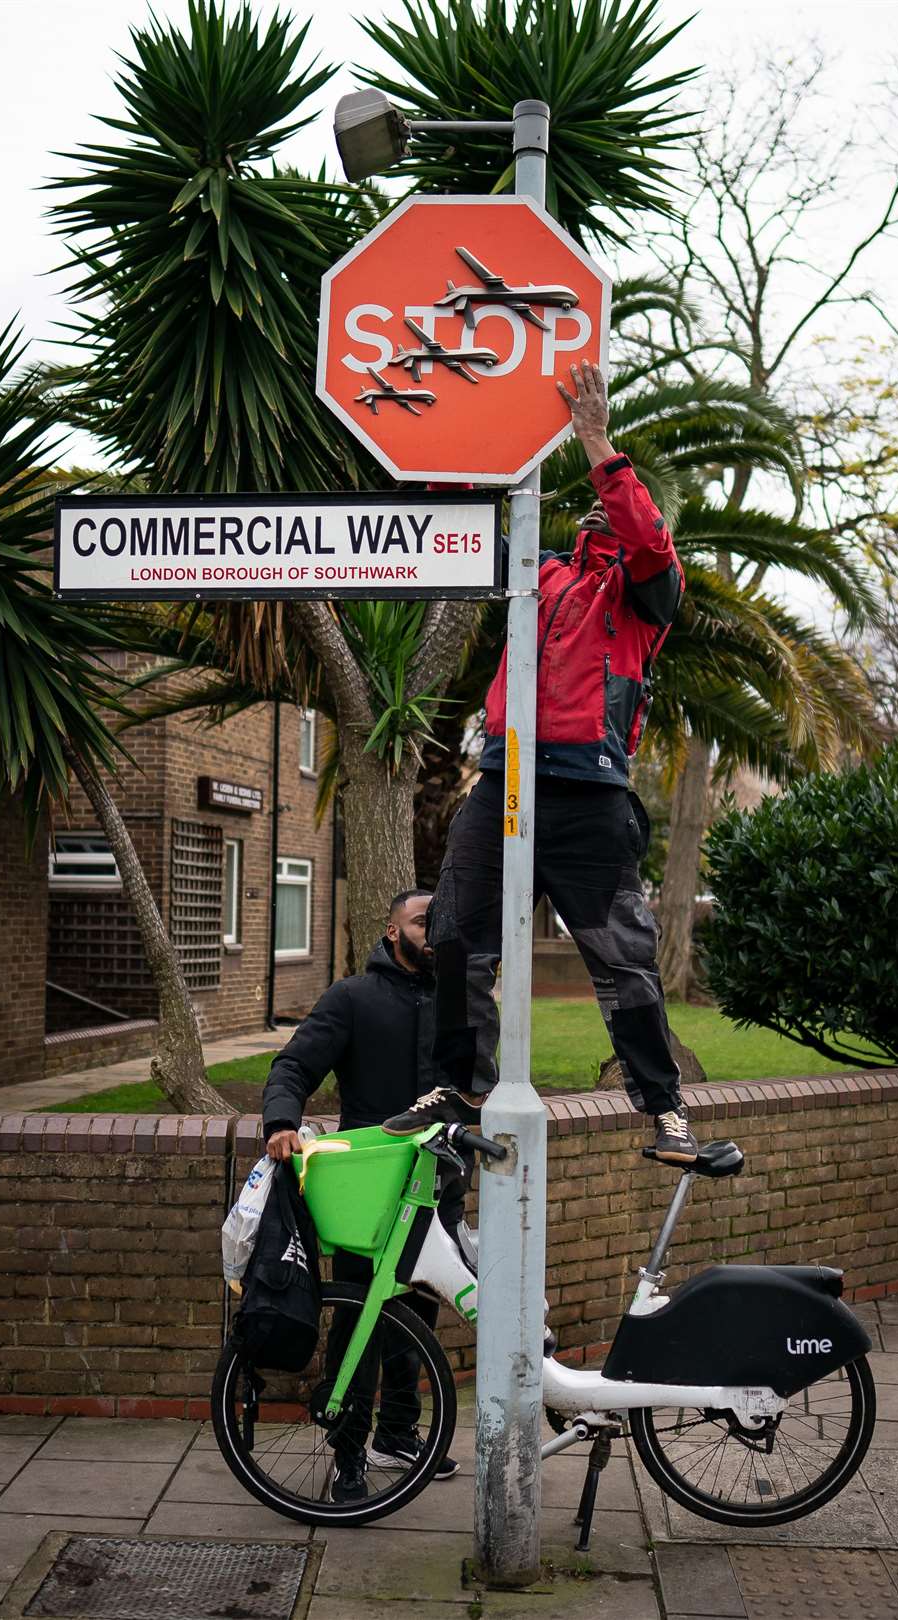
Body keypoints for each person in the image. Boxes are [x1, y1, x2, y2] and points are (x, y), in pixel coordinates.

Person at [382, 361, 698, 1166]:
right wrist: (444, 446)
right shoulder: (540, 571)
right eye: (595, 495)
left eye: (614, 496)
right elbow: (451, 539)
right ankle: (457, 1087)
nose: (601, 501)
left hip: (589, 795)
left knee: (623, 960)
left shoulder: (645, 596)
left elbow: (652, 542)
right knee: (453, 934)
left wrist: (597, 440)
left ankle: (663, 1109)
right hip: (504, 783)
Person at [263, 889, 462, 1502]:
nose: (432, 931)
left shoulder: (460, 1001)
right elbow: (293, 1066)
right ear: (391, 930)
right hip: (369, 1191)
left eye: (439, 921)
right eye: (421, 921)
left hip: (438, 1183)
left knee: (420, 1315)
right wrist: (280, 1122)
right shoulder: (352, 997)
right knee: (359, 1320)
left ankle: (398, 1434)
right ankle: (349, 1455)